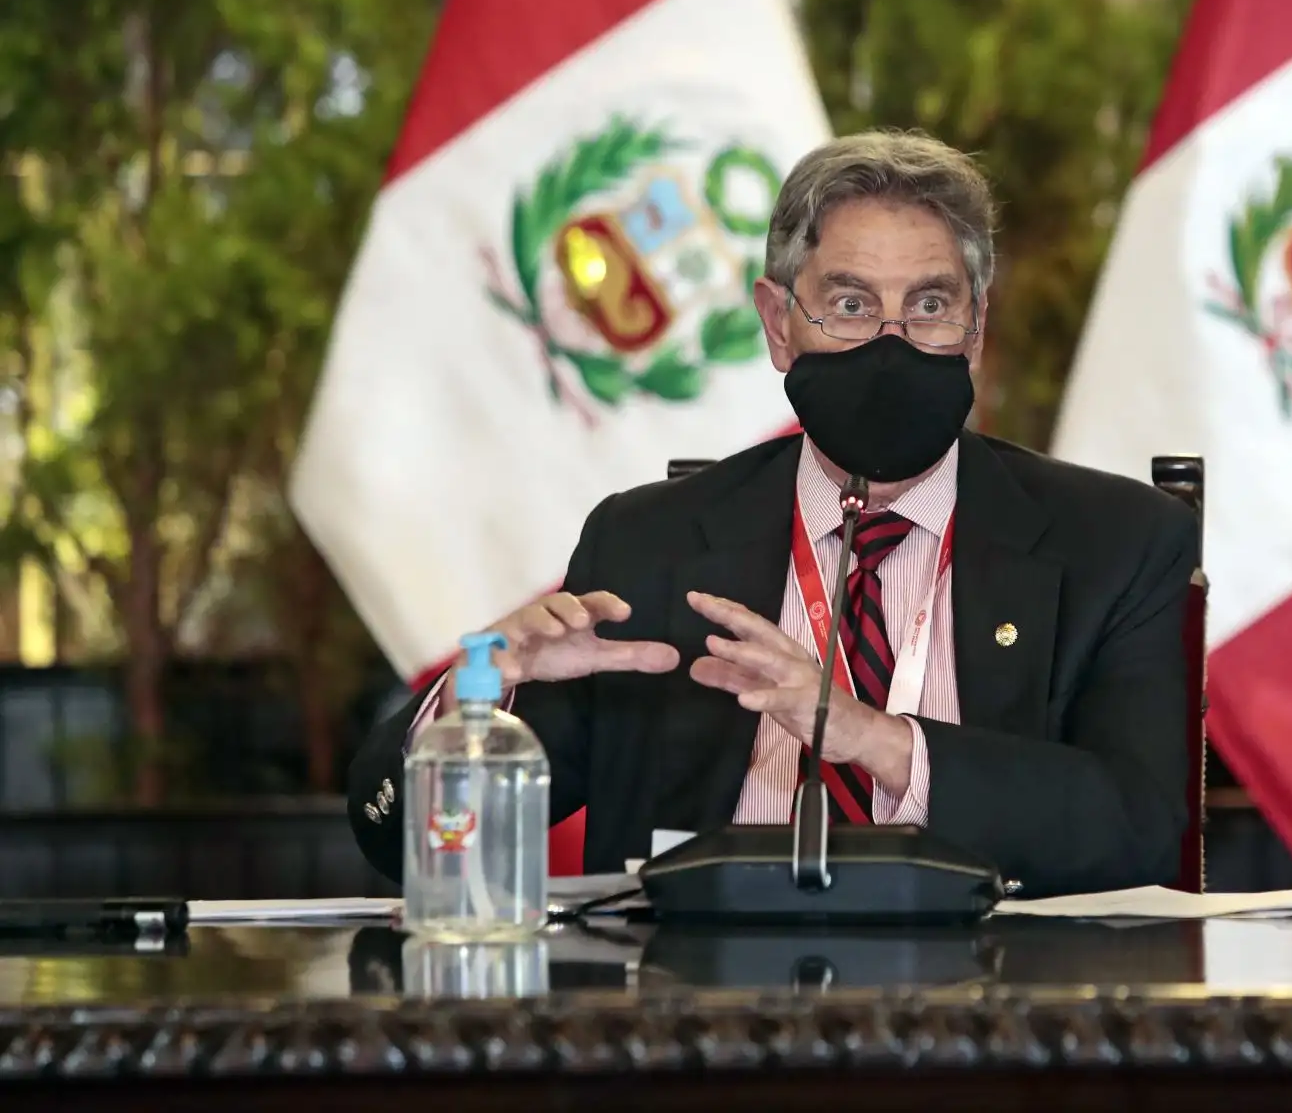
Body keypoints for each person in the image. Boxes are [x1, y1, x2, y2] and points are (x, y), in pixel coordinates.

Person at [347, 130, 1195, 898]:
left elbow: (1143, 829)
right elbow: (407, 843)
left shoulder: (1114, 545)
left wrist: (879, 740)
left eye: (930, 306)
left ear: (975, 328)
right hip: (704, 1021)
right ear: (778, 325)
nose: (891, 344)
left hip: (992, 1027)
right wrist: (474, 704)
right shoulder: (649, 548)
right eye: (852, 305)